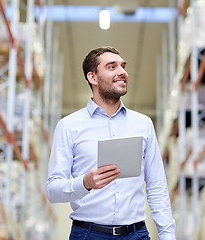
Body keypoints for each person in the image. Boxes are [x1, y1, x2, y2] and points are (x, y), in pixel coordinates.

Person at [46, 47, 176, 240]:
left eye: (123, 66)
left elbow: (157, 186)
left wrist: (168, 235)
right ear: (93, 77)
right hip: (88, 235)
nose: (122, 72)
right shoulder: (68, 126)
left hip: (136, 234)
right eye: (112, 67)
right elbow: (52, 190)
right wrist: (85, 183)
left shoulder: (143, 124)